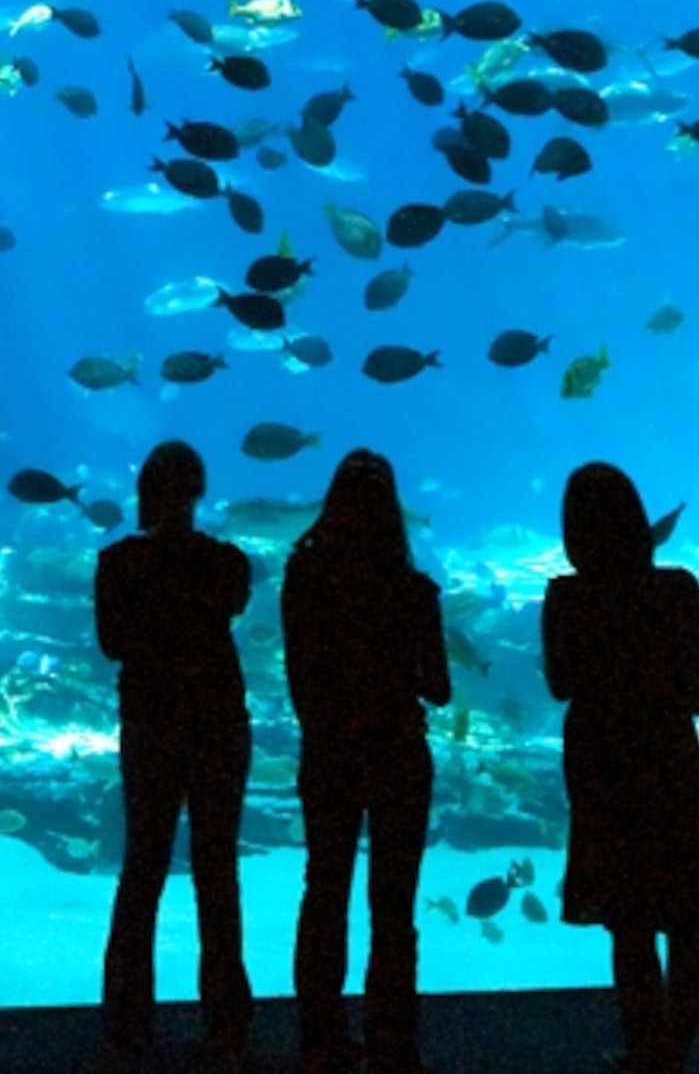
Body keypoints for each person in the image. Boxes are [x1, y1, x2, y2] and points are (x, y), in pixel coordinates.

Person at [544, 461, 699, 1074]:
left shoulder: (566, 596)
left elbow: (560, 684)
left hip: (602, 759)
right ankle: (674, 1048)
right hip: (667, 755)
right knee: (686, 909)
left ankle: (645, 1049)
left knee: (626, 916)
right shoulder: (676, 588)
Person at [283, 449, 450, 1074]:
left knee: (323, 890)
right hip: (398, 752)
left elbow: (299, 674)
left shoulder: (303, 576)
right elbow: (438, 687)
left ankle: (318, 1036)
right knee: (394, 904)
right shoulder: (413, 590)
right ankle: (392, 1041)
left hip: (328, 750)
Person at [94, 438, 253, 1063]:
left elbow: (111, 645)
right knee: (218, 871)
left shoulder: (117, 563)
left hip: (152, 724)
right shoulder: (227, 562)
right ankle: (226, 1020)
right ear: (199, 490)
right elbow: (231, 606)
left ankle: (126, 1020)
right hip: (217, 724)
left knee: (143, 867)